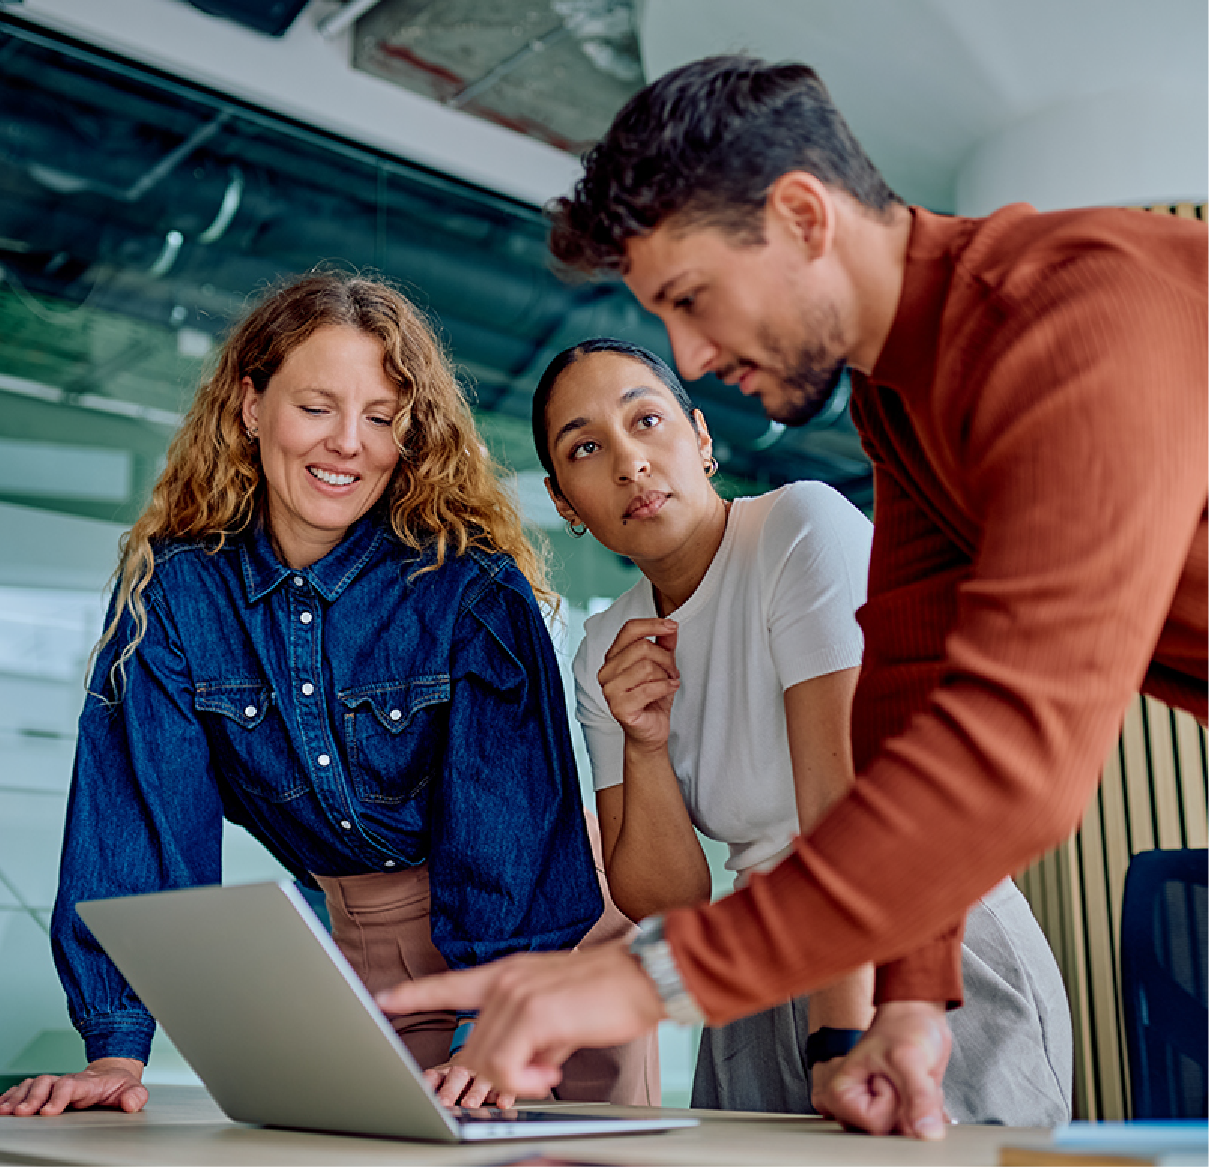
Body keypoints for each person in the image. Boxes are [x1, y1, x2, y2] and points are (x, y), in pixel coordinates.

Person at [375, 55, 1207, 1139]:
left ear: (804, 215)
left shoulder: (1067, 315)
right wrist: (912, 1000)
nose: (693, 356)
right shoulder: (904, 405)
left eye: (692, 300)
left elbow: (1017, 757)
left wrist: (646, 984)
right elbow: (904, 715)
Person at [0, 272, 656, 1119]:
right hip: (361, 956)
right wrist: (117, 1052)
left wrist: (495, 1034)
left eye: (382, 417)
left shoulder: (471, 594)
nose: (349, 443)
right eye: (317, 407)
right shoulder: (176, 600)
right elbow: (137, 822)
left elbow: (513, 843)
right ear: (250, 404)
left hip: (542, 951)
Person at [530, 335, 1072, 1125]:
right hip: (760, 968)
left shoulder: (798, 527)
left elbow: (844, 821)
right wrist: (643, 743)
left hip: (912, 944)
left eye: (645, 421)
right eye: (586, 447)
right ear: (563, 501)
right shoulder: (604, 649)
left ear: (701, 438)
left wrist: (838, 1038)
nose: (628, 463)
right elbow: (668, 900)